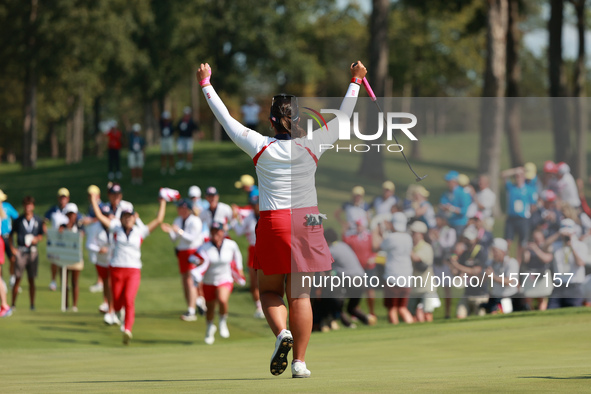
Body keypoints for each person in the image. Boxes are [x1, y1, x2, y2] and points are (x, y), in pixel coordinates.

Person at [197, 60, 365, 377]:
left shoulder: (259, 146)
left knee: (270, 292)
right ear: (298, 118)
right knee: (301, 294)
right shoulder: (313, 143)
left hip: (274, 223)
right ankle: (300, 363)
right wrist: (355, 80)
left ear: (271, 121)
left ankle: (281, 333)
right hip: (308, 223)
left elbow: (226, 118)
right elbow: (343, 119)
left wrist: (206, 83)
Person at [89, 191, 166, 344]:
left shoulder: (140, 231)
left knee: (129, 299)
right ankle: (118, 314)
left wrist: (162, 201)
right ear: (122, 219)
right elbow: (99, 215)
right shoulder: (116, 229)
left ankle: (127, 329)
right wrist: (93, 199)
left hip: (133, 271)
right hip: (117, 269)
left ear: (133, 218)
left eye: (130, 217)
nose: (128, 219)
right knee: (117, 301)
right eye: (125, 217)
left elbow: (158, 219)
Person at [190, 222, 243, 344]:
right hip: (209, 281)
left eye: (218, 231)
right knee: (210, 308)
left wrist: (239, 269)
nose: (215, 234)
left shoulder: (231, 244)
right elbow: (191, 258)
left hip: (225, 279)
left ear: (222, 232)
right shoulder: (205, 247)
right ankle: (209, 328)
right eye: (213, 231)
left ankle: (222, 321)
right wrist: (198, 261)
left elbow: (237, 256)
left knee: (222, 299)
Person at [161, 198, 204, 321]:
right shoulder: (178, 220)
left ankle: (192, 309)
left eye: (181, 208)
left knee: (191, 280)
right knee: (185, 281)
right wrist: (170, 231)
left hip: (193, 252)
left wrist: (178, 231)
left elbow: (191, 238)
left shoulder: (195, 221)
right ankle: (195, 304)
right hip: (182, 252)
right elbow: (174, 239)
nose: (179, 210)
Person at [324, 228, 376, 327]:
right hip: (362, 279)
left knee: (337, 302)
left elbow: (325, 269)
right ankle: (367, 319)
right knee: (351, 308)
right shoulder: (343, 246)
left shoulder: (331, 250)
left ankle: (345, 323)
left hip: (351, 280)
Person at [373, 212, 414, 325]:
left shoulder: (391, 238)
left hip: (393, 276)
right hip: (407, 276)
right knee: (402, 308)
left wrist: (377, 233)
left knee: (392, 308)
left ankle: (395, 328)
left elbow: (376, 247)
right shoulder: (408, 237)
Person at [85, 202, 119, 324]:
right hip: (101, 260)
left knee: (111, 283)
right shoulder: (95, 227)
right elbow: (89, 244)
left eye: (107, 215)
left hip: (114, 259)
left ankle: (112, 309)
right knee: (105, 283)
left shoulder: (115, 225)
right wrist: (99, 249)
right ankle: (108, 304)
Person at [10, 196, 45, 310]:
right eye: (26, 205)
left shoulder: (37, 220)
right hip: (21, 251)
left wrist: (37, 239)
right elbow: (11, 235)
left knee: (31, 279)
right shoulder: (18, 220)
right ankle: (13, 304)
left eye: (29, 205)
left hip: (33, 251)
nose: (27, 207)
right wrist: (12, 249)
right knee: (18, 278)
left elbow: (41, 234)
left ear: (33, 206)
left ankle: (32, 304)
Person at [232, 195, 264, 318]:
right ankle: (259, 307)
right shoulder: (249, 218)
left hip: (266, 249)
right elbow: (239, 232)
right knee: (254, 281)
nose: (256, 207)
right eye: (254, 204)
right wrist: (235, 219)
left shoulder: (267, 216)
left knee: (269, 279)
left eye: (257, 204)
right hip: (253, 249)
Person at [449, 226, 488, 319]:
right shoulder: (464, 253)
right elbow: (456, 272)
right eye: (465, 238)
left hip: (480, 295)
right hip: (467, 293)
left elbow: (476, 271)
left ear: (475, 239)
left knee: (481, 319)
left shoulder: (481, 251)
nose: (467, 241)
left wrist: (456, 265)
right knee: (460, 315)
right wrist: (453, 260)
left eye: (469, 239)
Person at [548, 219, 588, 309]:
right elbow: (544, 246)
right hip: (559, 286)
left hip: (574, 286)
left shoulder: (580, 246)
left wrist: (571, 247)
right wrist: (558, 234)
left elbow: (580, 263)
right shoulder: (556, 245)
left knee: (574, 315)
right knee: (551, 312)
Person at [502, 166, 536, 263]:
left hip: (522, 219)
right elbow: (503, 174)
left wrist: (528, 212)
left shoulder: (529, 189)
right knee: (507, 241)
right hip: (511, 218)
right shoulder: (511, 187)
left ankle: (518, 263)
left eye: (520, 175)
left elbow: (533, 205)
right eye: (517, 176)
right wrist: (514, 170)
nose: (518, 177)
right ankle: (506, 261)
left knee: (521, 244)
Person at [408, 221, 438, 323]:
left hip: (427, 288)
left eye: (414, 233)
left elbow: (416, 258)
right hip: (414, 289)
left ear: (421, 234)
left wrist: (405, 248)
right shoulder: (412, 247)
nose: (412, 235)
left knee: (427, 314)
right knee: (412, 315)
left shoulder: (426, 247)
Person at [429, 213, 456, 319]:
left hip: (445, 263)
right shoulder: (434, 230)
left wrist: (438, 238)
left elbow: (448, 245)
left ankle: (447, 312)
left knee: (447, 288)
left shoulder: (450, 231)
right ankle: (429, 312)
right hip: (436, 262)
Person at [482, 238, 520, 314]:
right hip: (494, 297)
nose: (493, 254)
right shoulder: (490, 263)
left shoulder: (511, 263)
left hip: (508, 297)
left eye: (495, 251)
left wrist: (493, 276)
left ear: (503, 252)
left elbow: (509, 281)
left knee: (504, 316)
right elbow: (481, 280)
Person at [44, 188, 71, 291]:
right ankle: (53, 280)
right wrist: (47, 233)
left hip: (66, 240)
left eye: (64, 197)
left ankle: (64, 283)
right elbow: (44, 221)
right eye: (61, 197)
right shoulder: (53, 209)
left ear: (68, 199)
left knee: (65, 262)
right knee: (54, 261)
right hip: (55, 240)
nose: (62, 200)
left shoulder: (70, 209)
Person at [60, 203, 84, 311]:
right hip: (64, 257)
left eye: (72, 214)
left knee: (75, 282)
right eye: (69, 214)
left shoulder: (79, 227)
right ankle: (65, 305)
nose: (71, 217)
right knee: (64, 283)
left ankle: (74, 305)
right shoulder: (62, 227)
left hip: (75, 257)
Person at [521, 229, 553, 310]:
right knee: (529, 298)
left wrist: (536, 249)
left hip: (542, 274)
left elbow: (546, 259)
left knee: (542, 298)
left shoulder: (546, 247)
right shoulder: (529, 248)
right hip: (531, 275)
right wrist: (525, 249)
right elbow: (525, 260)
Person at [439, 171, 471, 235]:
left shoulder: (463, 193)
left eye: (449, 181)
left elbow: (464, 210)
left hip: (459, 223)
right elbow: (442, 204)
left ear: (455, 182)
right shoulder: (446, 193)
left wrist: (451, 208)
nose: (447, 183)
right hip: (448, 222)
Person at [0, 190, 18, 298]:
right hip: (0, 238)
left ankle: (12, 277)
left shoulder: (7, 207)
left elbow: (16, 217)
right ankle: (1, 282)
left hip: (7, 237)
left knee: (12, 258)